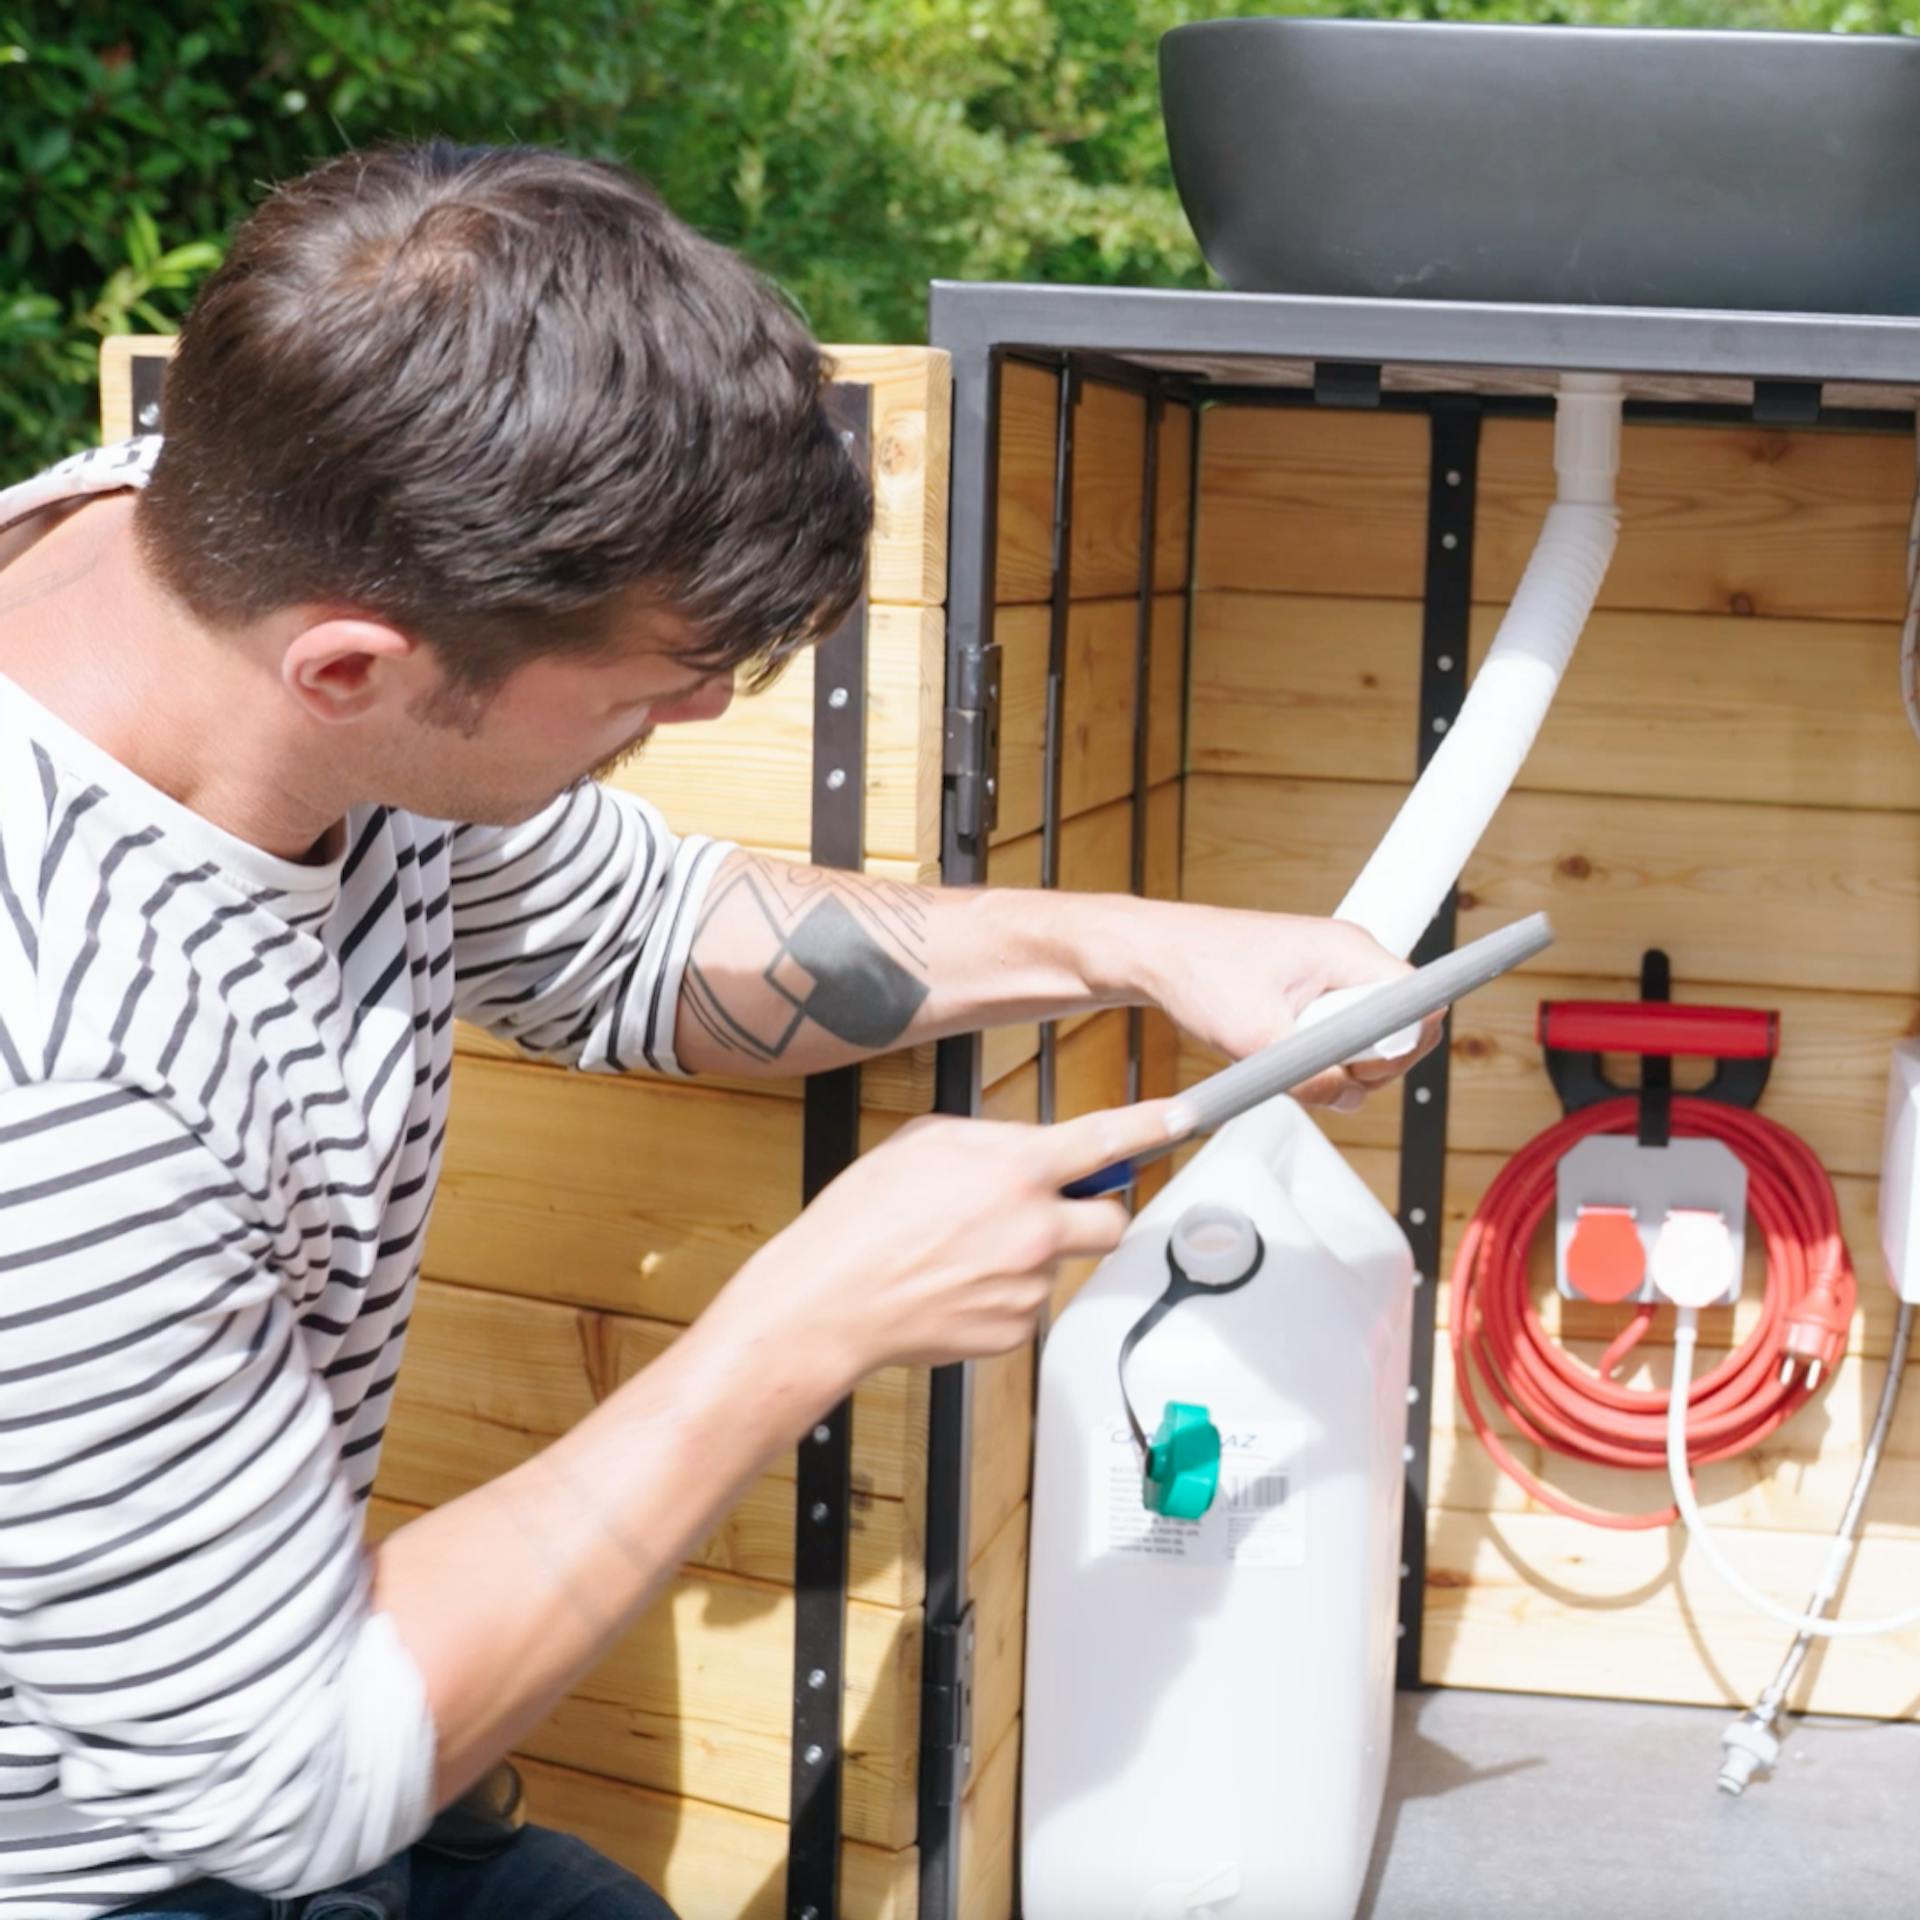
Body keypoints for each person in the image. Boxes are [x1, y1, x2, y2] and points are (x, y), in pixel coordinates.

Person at [0, 141, 1434, 1920]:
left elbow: (643, 938)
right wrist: (805, 1323)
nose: (689, 719)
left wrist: (1140, 944)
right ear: (352, 668)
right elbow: (283, 1785)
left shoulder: (202, 529)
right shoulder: (65, 1083)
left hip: (316, 1738)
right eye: (647, 696)